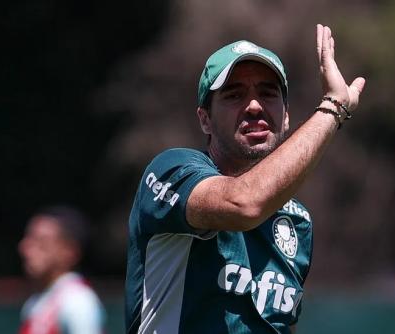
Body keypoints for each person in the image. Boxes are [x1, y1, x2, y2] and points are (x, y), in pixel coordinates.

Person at [124, 24, 365, 333]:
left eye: (267, 93)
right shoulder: (172, 171)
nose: (254, 106)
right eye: (234, 94)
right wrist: (332, 107)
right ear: (205, 119)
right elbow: (244, 203)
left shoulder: (297, 220)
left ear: (287, 116)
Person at [18, 205, 106, 334]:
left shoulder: (78, 300)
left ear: (70, 251)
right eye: (28, 239)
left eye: (41, 242)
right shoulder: (35, 302)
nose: (25, 248)